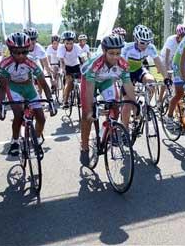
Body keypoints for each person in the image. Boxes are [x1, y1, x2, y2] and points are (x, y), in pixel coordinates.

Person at [79, 34, 136, 166]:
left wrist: (135, 106)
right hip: (89, 82)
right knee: (88, 115)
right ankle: (85, 147)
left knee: (114, 106)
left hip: (106, 81)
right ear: (104, 51)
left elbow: (128, 86)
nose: (115, 57)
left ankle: (107, 131)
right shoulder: (96, 63)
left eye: (118, 53)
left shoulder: (123, 64)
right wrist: (92, 108)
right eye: (111, 53)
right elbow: (89, 90)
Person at [0, 32, 56, 155]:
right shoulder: (4, 64)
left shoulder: (31, 63)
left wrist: (51, 101)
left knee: (41, 118)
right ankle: (15, 141)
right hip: (13, 88)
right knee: (18, 116)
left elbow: (44, 84)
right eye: (16, 52)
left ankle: (37, 140)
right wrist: (1, 107)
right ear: (10, 51)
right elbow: (2, 88)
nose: (21, 55)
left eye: (24, 52)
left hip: (29, 87)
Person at [121, 25, 165, 110]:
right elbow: (122, 66)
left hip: (139, 69)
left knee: (152, 83)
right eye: (142, 42)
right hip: (127, 72)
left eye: (148, 43)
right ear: (135, 40)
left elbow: (158, 63)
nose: (145, 46)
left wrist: (166, 78)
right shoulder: (127, 48)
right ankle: (126, 122)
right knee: (128, 104)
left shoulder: (151, 47)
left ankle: (146, 108)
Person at [58, 31, 85, 108]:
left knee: (81, 82)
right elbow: (62, 61)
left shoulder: (77, 47)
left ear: (74, 42)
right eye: (67, 43)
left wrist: (86, 67)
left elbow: (83, 59)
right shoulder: (61, 48)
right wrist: (63, 70)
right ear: (64, 43)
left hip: (76, 65)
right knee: (69, 82)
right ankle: (65, 101)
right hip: (67, 66)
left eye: (71, 43)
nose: (69, 45)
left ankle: (81, 99)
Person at [24, 27, 53, 96]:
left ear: (36, 40)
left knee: (40, 76)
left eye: (33, 42)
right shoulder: (22, 47)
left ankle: (39, 95)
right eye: (29, 42)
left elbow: (46, 64)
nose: (31, 44)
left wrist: (52, 77)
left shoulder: (39, 48)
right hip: (25, 64)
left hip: (35, 63)